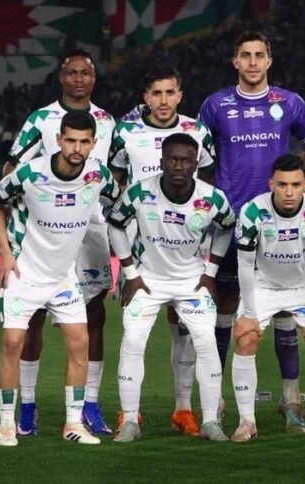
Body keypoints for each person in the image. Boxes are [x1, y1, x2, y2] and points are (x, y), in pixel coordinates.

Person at [198, 30, 305, 433]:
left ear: (269, 60)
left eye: (259, 55)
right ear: (235, 61)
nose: (252, 62)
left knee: (284, 308)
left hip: (281, 223)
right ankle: (216, 399)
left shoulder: (290, 102)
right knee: (227, 308)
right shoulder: (215, 105)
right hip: (231, 224)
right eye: (245, 55)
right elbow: (198, 160)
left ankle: (291, 398)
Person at [5, 50, 117, 436]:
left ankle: (90, 405)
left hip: (91, 229)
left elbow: (117, 174)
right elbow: (12, 168)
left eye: (85, 73)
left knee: (94, 317)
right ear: (61, 77)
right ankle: (28, 406)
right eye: (72, 73)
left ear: (94, 78)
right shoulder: (40, 120)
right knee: (33, 317)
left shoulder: (107, 122)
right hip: (45, 233)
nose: (79, 79)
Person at [106, 133, 234, 443]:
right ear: (162, 161)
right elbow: (115, 225)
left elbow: (227, 227)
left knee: (206, 341)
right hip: (148, 279)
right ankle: (130, 421)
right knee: (133, 340)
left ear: (195, 164)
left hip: (192, 280)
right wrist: (130, 273)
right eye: (173, 159)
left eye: (186, 160)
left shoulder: (212, 198)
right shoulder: (139, 192)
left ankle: (210, 421)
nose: (179, 166)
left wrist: (211, 272)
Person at [108, 67, 215, 435]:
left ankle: (183, 409)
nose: (164, 100)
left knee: (184, 331)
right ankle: (129, 413)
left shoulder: (198, 132)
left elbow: (207, 186)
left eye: (170, 92)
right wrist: (123, 262)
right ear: (146, 97)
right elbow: (116, 183)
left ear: (180, 95)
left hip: (184, 248)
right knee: (134, 335)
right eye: (156, 93)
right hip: (140, 252)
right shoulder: (125, 132)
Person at [230, 154, 305, 443]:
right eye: (282, 185)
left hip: (303, 285)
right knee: (246, 338)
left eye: (295, 185)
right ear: (271, 184)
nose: (289, 192)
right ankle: (246, 422)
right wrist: (249, 313)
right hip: (264, 285)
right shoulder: (253, 211)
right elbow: (244, 265)